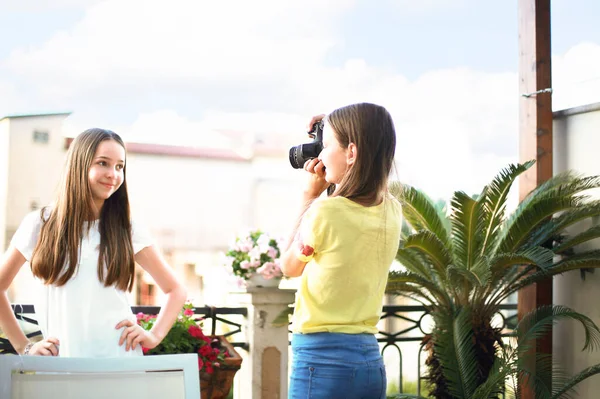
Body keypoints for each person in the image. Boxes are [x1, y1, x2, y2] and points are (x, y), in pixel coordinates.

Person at [0, 128, 187, 357]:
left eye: (120, 166)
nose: (113, 174)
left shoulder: (127, 228)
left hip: (120, 360)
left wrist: (153, 335)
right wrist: (25, 346)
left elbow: (175, 290)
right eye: (103, 163)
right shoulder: (40, 224)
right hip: (61, 364)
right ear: (79, 165)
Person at [281, 103, 402, 399]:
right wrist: (333, 127)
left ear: (351, 152)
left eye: (325, 146)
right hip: (369, 362)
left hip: (321, 363)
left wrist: (308, 195)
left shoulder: (325, 211)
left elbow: (288, 267)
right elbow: (372, 138)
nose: (319, 154)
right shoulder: (392, 210)